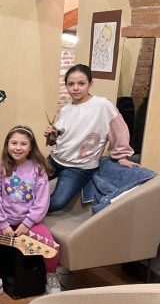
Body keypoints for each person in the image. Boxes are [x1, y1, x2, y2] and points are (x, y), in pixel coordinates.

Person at [0, 126, 61, 303]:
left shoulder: (38, 169)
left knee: (52, 248)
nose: (18, 147)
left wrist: (28, 222)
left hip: (29, 222)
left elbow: (42, 201)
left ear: (31, 147)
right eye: (14, 143)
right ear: (7, 144)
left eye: (23, 144)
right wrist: (3, 224)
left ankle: (51, 277)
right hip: (1, 220)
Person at [45, 64, 139, 213]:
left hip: (78, 168)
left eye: (81, 83)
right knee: (26, 184)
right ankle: (10, 211)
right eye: (71, 84)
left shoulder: (102, 105)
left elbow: (119, 130)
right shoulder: (65, 109)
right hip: (54, 159)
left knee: (57, 202)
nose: (75, 88)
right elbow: (59, 138)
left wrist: (122, 156)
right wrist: (52, 135)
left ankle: (24, 214)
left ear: (90, 84)